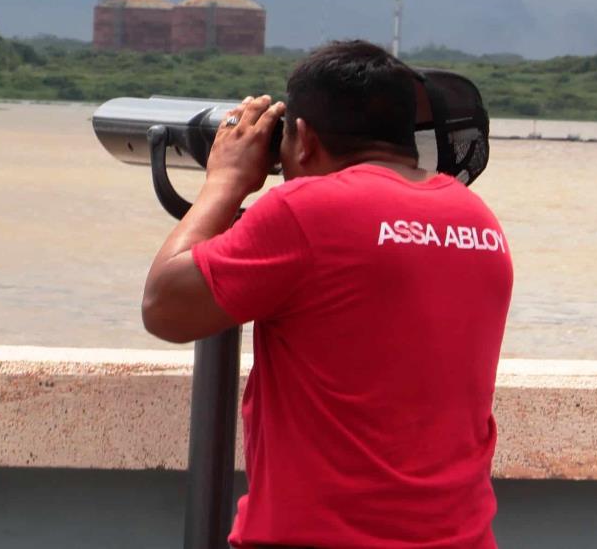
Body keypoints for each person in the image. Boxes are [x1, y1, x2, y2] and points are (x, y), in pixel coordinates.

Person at [142, 40, 513, 549]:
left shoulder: (308, 211)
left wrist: (225, 181)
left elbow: (164, 307)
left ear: (302, 137)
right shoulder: (477, 220)